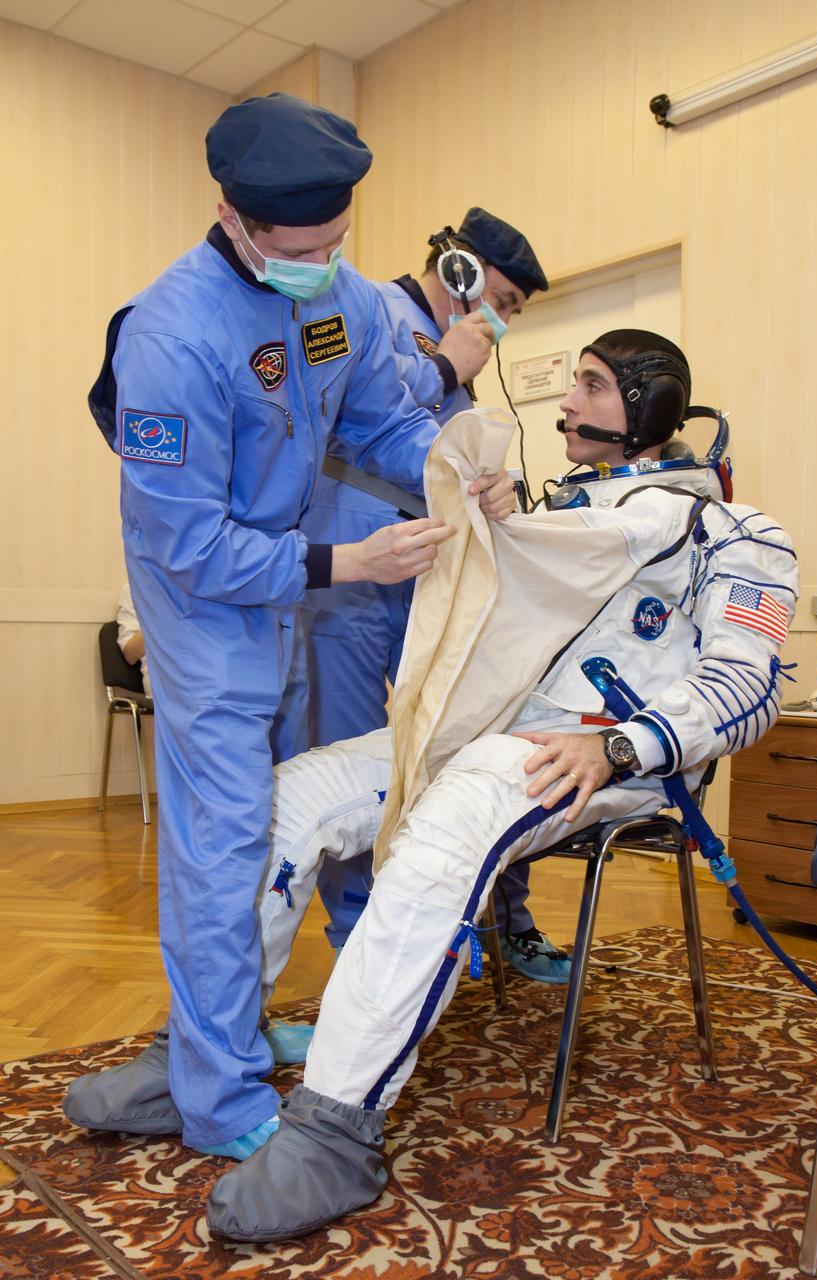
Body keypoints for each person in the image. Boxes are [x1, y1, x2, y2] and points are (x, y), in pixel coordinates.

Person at [205, 329, 800, 1242]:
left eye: (593, 387)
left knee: (460, 809)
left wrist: (624, 745)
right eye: (571, 386)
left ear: (646, 405)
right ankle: (205, 1048)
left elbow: (750, 683)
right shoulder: (551, 517)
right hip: (491, 735)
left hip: (609, 760)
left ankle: (333, 1126)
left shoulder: (732, 532)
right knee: (296, 798)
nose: (567, 405)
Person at [63, 91, 514, 1162]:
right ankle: (220, 1102)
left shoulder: (339, 299)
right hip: (209, 609)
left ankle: (208, 1037)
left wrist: (455, 470)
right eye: (295, 246)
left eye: (334, 241)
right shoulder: (167, 340)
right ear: (231, 216)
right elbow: (189, 543)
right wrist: (340, 561)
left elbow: (387, 416)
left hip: (298, 593)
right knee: (221, 846)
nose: (319, 261)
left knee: (290, 820)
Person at [299, 210, 568, 990]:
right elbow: (347, 409)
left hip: (431, 559)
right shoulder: (370, 310)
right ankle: (358, 945)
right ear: (458, 268)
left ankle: (465, 916)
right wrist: (445, 367)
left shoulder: (461, 352)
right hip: (353, 554)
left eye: (515, 310)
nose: (503, 318)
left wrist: (494, 480)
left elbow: (442, 449)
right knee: (347, 756)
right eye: (504, 297)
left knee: (451, 737)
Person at [115, 582, 151, 697]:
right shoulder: (135, 588)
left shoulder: (202, 588)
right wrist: (164, 621)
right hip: (166, 684)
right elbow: (130, 654)